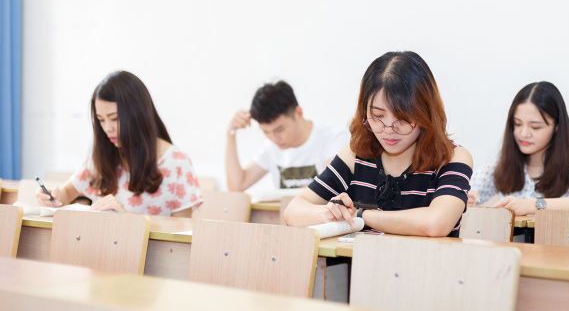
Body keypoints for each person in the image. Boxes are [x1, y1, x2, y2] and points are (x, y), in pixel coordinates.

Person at [283, 51, 473, 237]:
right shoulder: (355, 156)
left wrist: (361, 215)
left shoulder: (452, 158)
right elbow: (293, 212)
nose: (388, 129)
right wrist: (332, 212)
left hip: (426, 267)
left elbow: (435, 224)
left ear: (426, 113)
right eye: (378, 116)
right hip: (362, 268)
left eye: (403, 118)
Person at [36, 71, 202, 217]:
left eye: (115, 119)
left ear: (138, 114)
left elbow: (182, 229)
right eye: (101, 120)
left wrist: (128, 219)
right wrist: (53, 196)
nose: (107, 128)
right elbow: (65, 193)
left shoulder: (176, 163)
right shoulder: (102, 158)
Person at [469, 81, 569, 215]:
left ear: (557, 126)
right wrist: (468, 197)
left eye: (535, 127)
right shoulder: (502, 163)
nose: (523, 134)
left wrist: (533, 205)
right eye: (517, 124)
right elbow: (467, 188)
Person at [226, 81, 348, 193]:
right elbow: (236, 186)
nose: (274, 138)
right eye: (266, 132)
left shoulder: (333, 139)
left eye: (279, 129)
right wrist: (230, 133)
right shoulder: (271, 147)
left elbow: (328, 185)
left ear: (298, 113)